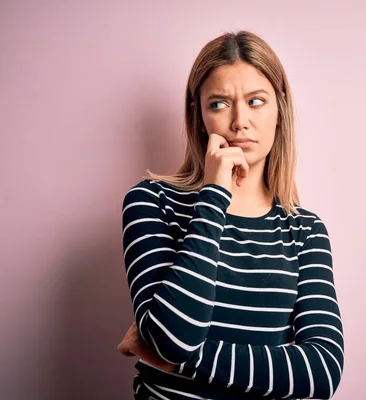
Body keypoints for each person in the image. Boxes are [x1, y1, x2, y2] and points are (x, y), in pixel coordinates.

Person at [117, 30, 344, 400]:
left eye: (256, 101)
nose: (240, 121)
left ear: (279, 109)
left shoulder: (305, 230)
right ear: (199, 114)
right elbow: (174, 337)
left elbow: (322, 372)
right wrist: (214, 196)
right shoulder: (151, 202)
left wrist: (176, 360)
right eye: (219, 104)